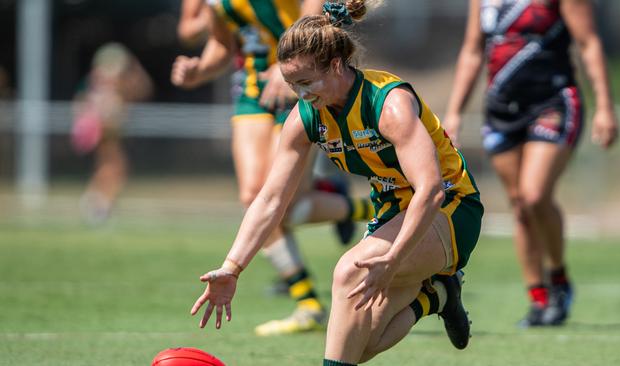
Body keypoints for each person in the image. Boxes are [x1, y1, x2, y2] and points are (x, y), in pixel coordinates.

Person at [189, 1, 484, 364]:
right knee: (359, 344)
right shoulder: (306, 116)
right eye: (292, 85)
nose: (301, 95)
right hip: (394, 212)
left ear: (335, 65)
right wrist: (232, 268)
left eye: (306, 82)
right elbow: (269, 199)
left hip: (451, 208)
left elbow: (431, 189)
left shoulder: (389, 104)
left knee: (348, 271)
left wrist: (392, 259)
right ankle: (437, 295)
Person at [172, 0, 373, 336]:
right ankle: (308, 303)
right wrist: (199, 70)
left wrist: (292, 71)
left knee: (283, 205)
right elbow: (223, 46)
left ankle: (377, 208)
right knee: (255, 198)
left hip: (301, 84)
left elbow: (316, 19)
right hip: (252, 90)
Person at [443, 0, 619, 327]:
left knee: (535, 194)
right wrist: (454, 111)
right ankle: (538, 297)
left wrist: (605, 106)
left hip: (553, 102)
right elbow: (472, 51)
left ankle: (560, 280)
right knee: (520, 204)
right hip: (501, 109)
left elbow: (588, 42)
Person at [72, 43, 153, 225]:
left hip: (108, 129)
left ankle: (98, 202)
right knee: (114, 167)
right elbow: (143, 88)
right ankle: (97, 204)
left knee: (111, 167)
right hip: (105, 129)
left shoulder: (98, 82)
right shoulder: (108, 82)